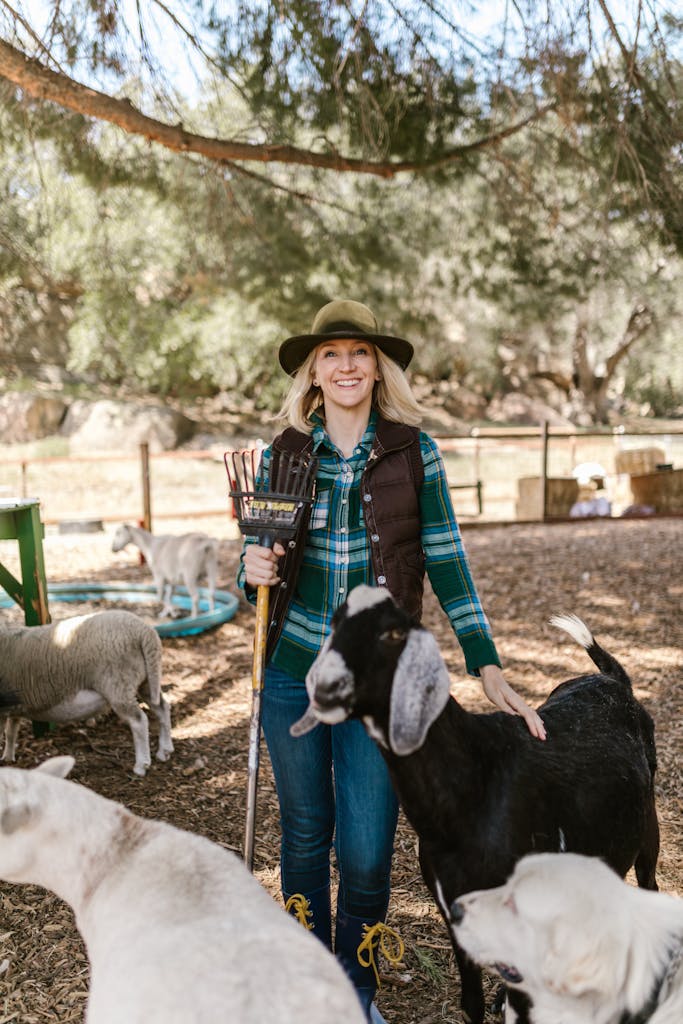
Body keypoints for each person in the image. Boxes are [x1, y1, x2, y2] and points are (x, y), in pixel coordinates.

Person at [237, 298, 546, 1022]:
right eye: (331, 354)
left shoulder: (414, 453)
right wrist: (249, 566)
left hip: (378, 685)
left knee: (370, 849)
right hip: (292, 673)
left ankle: (359, 985)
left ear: (377, 368)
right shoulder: (280, 453)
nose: (345, 366)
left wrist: (487, 665)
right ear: (314, 371)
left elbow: (447, 561)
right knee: (306, 836)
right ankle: (312, 986)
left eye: (359, 353)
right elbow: (256, 575)